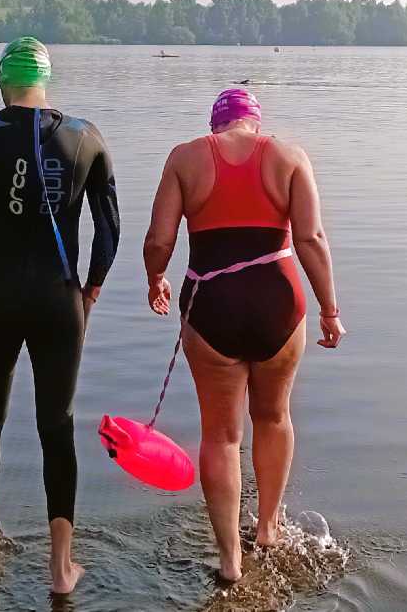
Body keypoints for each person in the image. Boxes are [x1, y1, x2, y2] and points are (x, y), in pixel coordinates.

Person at [0, 37, 120, 594]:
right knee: (56, 427)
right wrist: (90, 289)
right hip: (59, 301)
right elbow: (109, 228)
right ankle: (61, 569)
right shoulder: (85, 136)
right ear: (45, 80)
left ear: (1, 80)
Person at [143, 89, 344, 582]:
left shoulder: (185, 158)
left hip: (211, 304)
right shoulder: (289, 157)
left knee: (221, 434)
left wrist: (156, 278)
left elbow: (159, 240)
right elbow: (311, 239)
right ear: (256, 122)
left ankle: (230, 559)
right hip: (279, 301)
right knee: (274, 416)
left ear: (217, 124)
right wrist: (330, 310)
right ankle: (269, 529)